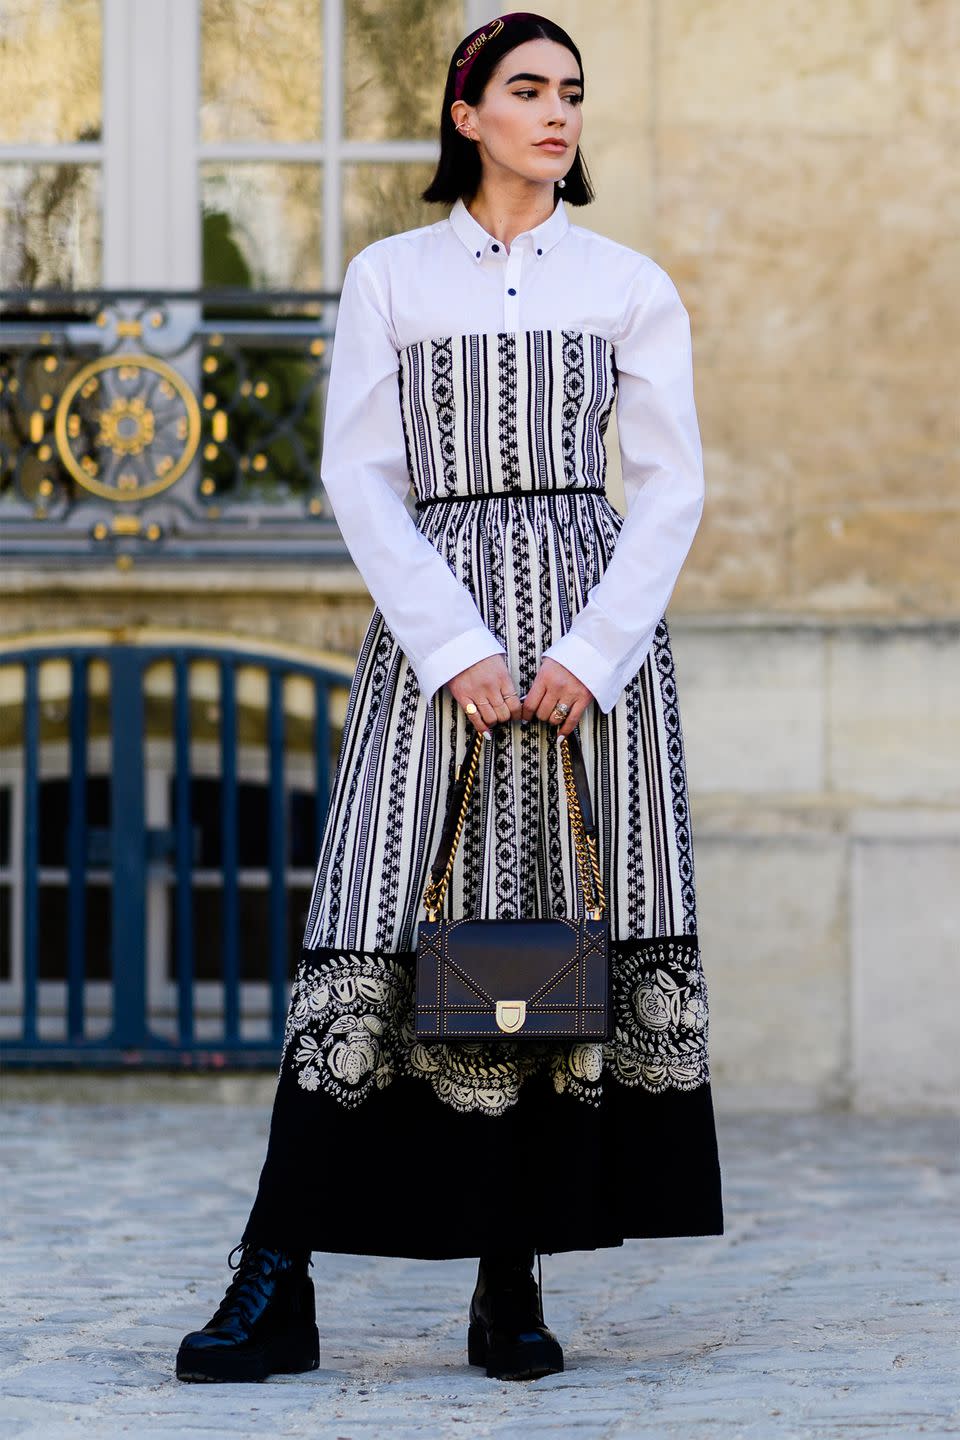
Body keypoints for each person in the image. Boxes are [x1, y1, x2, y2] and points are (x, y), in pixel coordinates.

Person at [176, 11, 723, 1386]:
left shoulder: (627, 282)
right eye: (527, 90)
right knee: (371, 920)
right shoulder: (392, 277)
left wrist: (588, 658)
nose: (556, 113)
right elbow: (359, 474)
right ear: (466, 113)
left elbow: (667, 486)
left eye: (573, 94)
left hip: (589, 654)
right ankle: (274, 1275)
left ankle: (509, 1284)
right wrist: (455, 646)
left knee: (546, 943)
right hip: (440, 642)